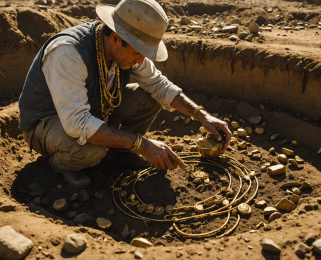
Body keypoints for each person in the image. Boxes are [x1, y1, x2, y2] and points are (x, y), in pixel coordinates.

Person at [18, 0, 231, 188]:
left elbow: (158, 85)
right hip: (47, 123)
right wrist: (142, 144)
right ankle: (61, 163)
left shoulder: (125, 49)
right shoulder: (68, 52)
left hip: (91, 110)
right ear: (116, 38)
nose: (140, 61)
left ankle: (120, 155)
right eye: (138, 53)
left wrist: (201, 115)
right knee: (91, 151)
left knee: (149, 97)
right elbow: (77, 123)